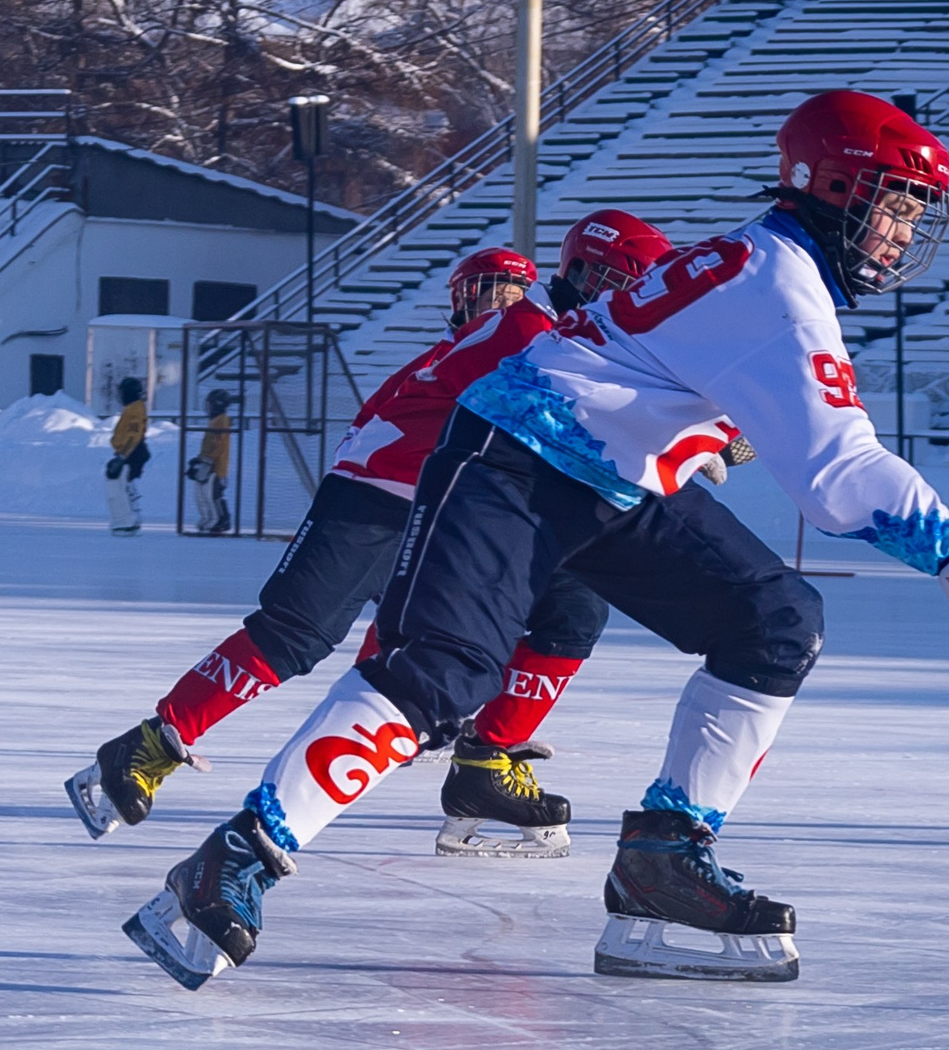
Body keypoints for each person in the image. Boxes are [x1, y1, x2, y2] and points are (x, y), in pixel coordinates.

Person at [120, 91, 949, 992]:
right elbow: (837, 475)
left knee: (777, 618)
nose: (902, 236)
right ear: (841, 187)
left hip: (610, 479)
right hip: (513, 459)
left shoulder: (770, 265)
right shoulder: (781, 286)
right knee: (439, 675)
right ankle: (233, 861)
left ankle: (666, 858)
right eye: (897, 207)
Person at [69, 230, 685, 861]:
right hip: (382, 493)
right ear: (583, 274)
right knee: (295, 635)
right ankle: (147, 746)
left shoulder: (571, 333)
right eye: (622, 283)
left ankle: (487, 763)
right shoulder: (525, 328)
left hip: (458, 507)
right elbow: (577, 412)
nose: (632, 298)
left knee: (571, 606)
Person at [186, 388, 236, 533]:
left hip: (216, 467)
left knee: (212, 494)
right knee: (201, 494)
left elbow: (218, 444)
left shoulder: (222, 420)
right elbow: (208, 444)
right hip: (208, 464)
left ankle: (219, 520)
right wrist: (200, 458)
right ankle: (208, 518)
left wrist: (208, 460)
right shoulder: (214, 421)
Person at [105, 377, 151, 535]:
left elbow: (134, 434)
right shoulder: (133, 407)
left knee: (119, 485)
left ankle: (125, 521)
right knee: (124, 484)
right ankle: (130, 518)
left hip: (132, 452)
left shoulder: (135, 409)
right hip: (131, 451)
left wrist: (124, 456)